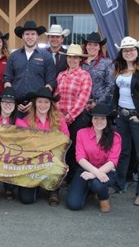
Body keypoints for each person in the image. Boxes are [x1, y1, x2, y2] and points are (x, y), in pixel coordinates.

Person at [111, 36, 139, 207]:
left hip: (137, 116)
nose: (128, 53)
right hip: (122, 115)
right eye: (125, 50)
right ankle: (119, 184)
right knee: (123, 151)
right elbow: (117, 93)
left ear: (137, 52)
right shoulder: (119, 70)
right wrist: (116, 111)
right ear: (122, 53)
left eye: (131, 50)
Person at [17, 87, 69, 206]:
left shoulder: (59, 120)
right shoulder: (26, 121)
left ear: (51, 105)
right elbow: (25, 144)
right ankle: (37, 185)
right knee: (26, 199)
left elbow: (65, 141)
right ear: (35, 103)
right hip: (33, 161)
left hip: (52, 159)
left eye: (46, 102)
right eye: (40, 101)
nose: (43, 105)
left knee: (56, 164)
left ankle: (53, 191)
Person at [66, 104, 122, 213]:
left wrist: (93, 174)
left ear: (107, 120)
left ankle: (103, 198)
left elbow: (112, 161)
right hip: (85, 169)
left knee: (97, 183)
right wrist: (94, 172)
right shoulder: (81, 133)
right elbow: (80, 157)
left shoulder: (115, 137)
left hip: (107, 171)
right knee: (73, 204)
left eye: (102, 118)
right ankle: (89, 190)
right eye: (95, 118)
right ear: (91, 119)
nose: (99, 121)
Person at [54, 44, 92, 184]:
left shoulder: (84, 76)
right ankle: (63, 175)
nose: (72, 60)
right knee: (62, 147)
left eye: (75, 57)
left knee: (76, 148)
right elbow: (56, 95)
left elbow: (83, 99)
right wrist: (58, 114)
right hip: (60, 117)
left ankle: (75, 178)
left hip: (77, 118)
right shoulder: (61, 75)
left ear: (80, 59)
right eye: (70, 57)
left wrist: (69, 117)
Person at [0, 87, 27, 202]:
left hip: (12, 156)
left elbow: (26, 143)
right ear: (0, 103)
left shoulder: (21, 124)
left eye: (11, 102)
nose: (8, 104)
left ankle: (9, 187)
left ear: (15, 105)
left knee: (16, 156)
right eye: (5, 101)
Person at [3, 20, 56, 117]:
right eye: (27, 34)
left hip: (37, 108)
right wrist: (13, 100)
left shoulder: (46, 56)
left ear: (37, 36)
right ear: (22, 36)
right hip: (16, 106)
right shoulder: (13, 56)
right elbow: (7, 79)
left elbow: (51, 82)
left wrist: (37, 101)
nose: (30, 37)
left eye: (33, 34)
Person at [81, 32, 115, 110]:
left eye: (95, 45)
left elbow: (111, 85)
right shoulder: (80, 63)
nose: (92, 47)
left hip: (101, 104)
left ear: (99, 47)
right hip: (82, 104)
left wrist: (97, 102)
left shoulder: (107, 63)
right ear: (86, 46)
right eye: (89, 44)